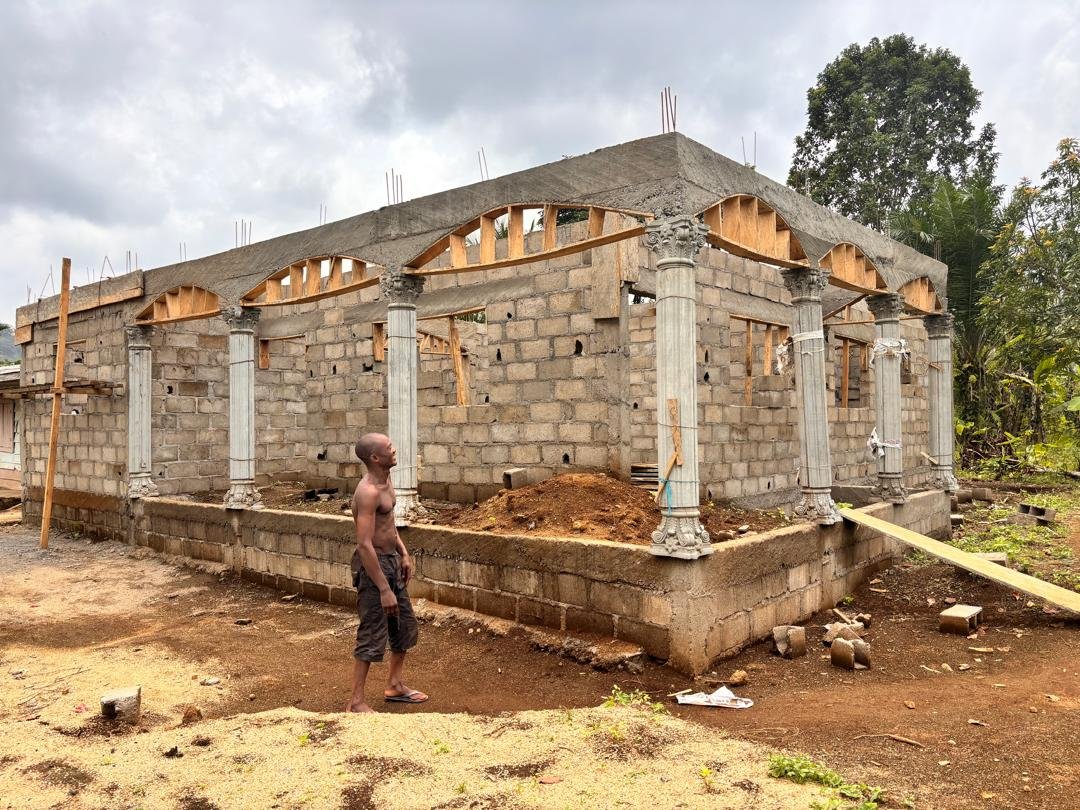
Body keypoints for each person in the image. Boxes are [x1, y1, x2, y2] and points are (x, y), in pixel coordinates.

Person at [345, 432, 428, 712]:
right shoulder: (367, 492)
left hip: (392, 561)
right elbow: (364, 544)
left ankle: (395, 685)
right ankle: (356, 702)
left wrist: (403, 553)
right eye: (389, 447)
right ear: (375, 458)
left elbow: (390, 526)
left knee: (403, 626)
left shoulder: (387, 481)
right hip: (373, 568)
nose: (394, 450)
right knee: (372, 631)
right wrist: (383, 588)